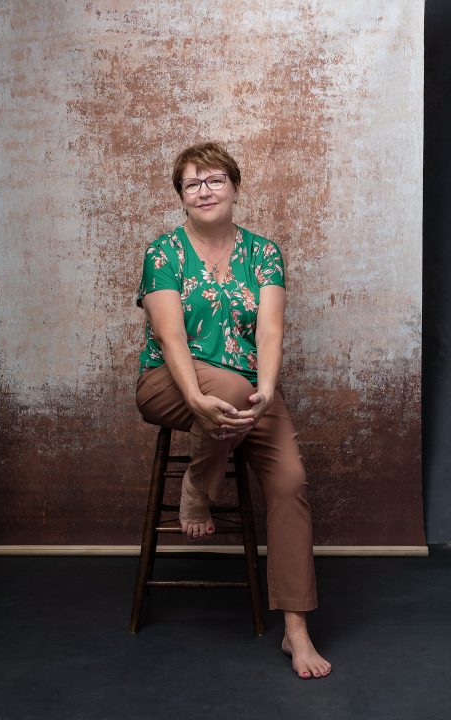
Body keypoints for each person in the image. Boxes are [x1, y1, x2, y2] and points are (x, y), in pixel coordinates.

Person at [135, 142, 331, 679]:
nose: (204, 190)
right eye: (192, 183)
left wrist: (267, 388)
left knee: (291, 483)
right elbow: (169, 335)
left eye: (214, 179)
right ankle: (200, 483)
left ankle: (296, 630)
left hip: (248, 394)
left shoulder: (264, 252)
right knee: (222, 386)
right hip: (169, 383)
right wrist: (197, 398)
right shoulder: (164, 252)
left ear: (235, 187)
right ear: (181, 196)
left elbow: (270, 329)